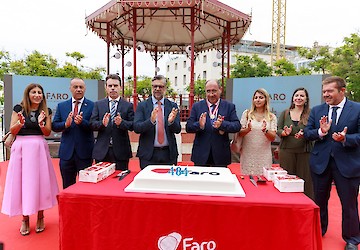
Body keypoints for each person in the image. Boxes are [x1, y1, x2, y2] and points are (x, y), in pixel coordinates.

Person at [304, 76, 360, 250]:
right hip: (321, 163)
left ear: (342, 91)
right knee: (319, 200)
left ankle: (352, 238)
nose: (326, 95)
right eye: (324, 92)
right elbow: (307, 133)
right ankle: (319, 230)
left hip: (347, 164)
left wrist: (346, 138)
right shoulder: (317, 110)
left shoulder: (357, 109)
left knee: (349, 203)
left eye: (330, 91)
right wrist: (321, 131)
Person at [1, 83, 59, 236]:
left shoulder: (46, 111)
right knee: (22, 183)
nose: (37, 95)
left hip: (39, 147)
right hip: (21, 148)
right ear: (28, 94)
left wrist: (41, 123)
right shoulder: (18, 108)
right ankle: (25, 219)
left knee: (39, 182)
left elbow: (47, 132)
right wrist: (19, 123)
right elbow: (12, 129)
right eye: (34, 92)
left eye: (40, 92)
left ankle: (40, 216)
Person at [185, 79, 240, 168]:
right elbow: (188, 127)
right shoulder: (197, 106)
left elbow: (237, 126)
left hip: (221, 155)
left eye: (214, 91)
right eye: (208, 91)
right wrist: (199, 125)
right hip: (201, 154)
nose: (211, 94)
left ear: (220, 90)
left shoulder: (229, 106)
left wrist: (222, 125)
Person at [52, 78, 94, 189]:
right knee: (67, 186)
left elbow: (94, 125)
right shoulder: (62, 106)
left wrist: (82, 122)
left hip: (85, 153)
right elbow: (54, 126)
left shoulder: (92, 105)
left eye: (81, 87)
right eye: (75, 87)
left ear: (85, 89)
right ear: (70, 89)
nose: (78, 89)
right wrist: (65, 124)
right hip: (67, 154)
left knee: (85, 187)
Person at [134, 75, 181, 169]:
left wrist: (171, 122)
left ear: (165, 88)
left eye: (161, 86)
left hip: (168, 154)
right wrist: (150, 121)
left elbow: (178, 129)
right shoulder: (142, 106)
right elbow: (136, 128)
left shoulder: (172, 105)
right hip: (148, 154)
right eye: (155, 86)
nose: (157, 89)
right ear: (152, 87)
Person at [90, 74, 134, 170]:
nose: (113, 88)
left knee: (120, 181)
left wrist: (122, 123)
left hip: (121, 151)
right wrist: (102, 123)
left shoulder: (128, 105)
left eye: (115, 85)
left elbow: (133, 125)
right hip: (102, 151)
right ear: (106, 87)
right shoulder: (98, 104)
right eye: (110, 86)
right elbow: (92, 124)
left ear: (120, 87)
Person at [277, 87, 314, 199]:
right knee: (287, 180)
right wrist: (284, 132)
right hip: (287, 151)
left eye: (302, 96)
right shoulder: (285, 113)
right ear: (293, 98)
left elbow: (314, 131)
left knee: (305, 181)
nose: (299, 98)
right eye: (297, 95)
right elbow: (278, 130)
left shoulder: (311, 113)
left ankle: (306, 204)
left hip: (305, 152)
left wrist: (305, 133)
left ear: (306, 99)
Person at [238, 88, 277, 175]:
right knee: (248, 181)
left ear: (266, 99)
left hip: (264, 154)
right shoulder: (247, 114)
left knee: (263, 181)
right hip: (248, 153)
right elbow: (240, 133)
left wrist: (265, 131)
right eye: (256, 97)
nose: (258, 100)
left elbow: (273, 137)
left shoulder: (271, 116)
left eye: (261, 97)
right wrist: (248, 129)